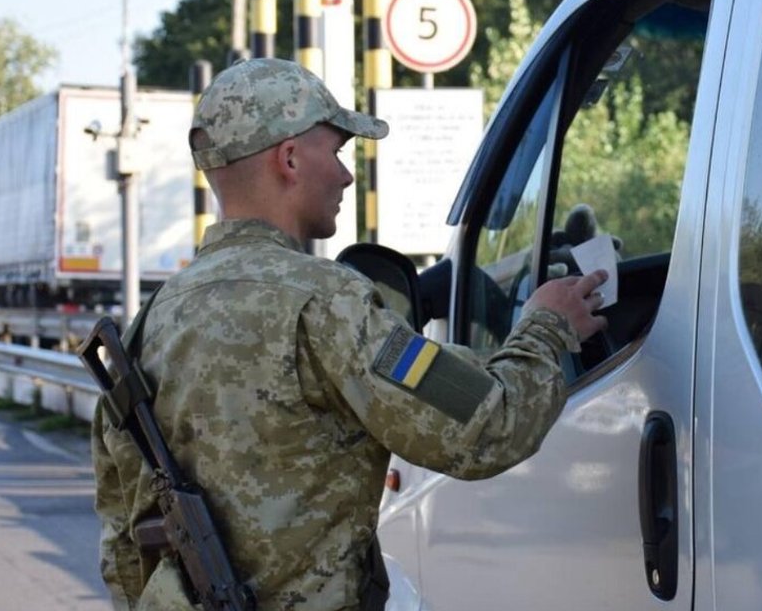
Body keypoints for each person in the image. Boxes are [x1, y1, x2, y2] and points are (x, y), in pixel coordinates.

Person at [91, 58, 609, 610]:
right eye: (335, 151)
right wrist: (547, 329)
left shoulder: (152, 321)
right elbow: (487, 428)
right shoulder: (327, 302)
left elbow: (125, 541)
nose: (345, 174)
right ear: (289, 158)